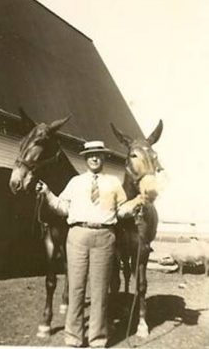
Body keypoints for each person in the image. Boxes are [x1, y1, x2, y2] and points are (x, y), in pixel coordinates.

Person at [36, 140, 129, 347]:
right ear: (85, 158)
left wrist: (134, 208)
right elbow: (62, 208)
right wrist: (47, 193)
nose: (94, 158)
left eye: (98, 154)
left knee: (99, 291)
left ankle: (97, 339)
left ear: (103, 157)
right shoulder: (75, 182)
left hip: (105, 237)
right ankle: (73, 338)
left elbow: (121, 211)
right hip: (77, 236)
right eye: (90, 155)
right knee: (75, 289)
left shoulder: (113, 182)